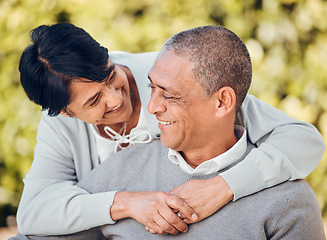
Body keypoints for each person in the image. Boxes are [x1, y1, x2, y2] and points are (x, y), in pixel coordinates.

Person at [12, 25, 325, 240]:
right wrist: (126, 203)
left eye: (111, 76)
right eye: (94, 101)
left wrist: (222, 187)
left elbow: (302, 140)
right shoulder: (88, 153)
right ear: (67, 113)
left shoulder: (173, 75)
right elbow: (35, 213)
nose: (116, 99)